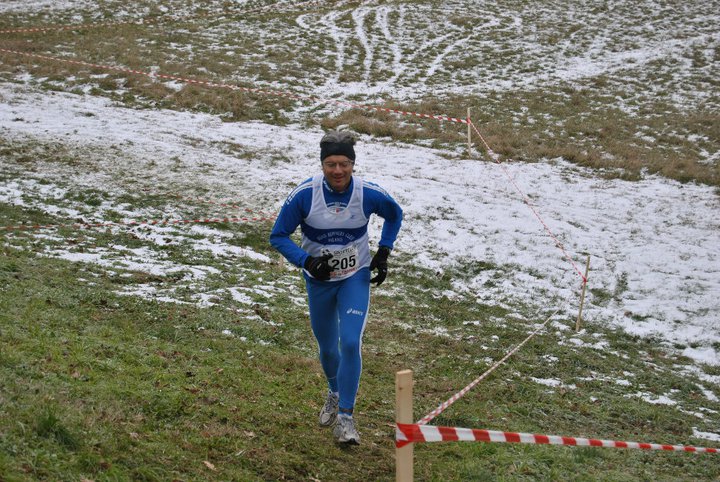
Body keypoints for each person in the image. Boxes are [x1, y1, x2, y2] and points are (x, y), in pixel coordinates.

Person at [269, 130, 403, 445]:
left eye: (344, 164)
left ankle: (346, 417)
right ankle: (333, 390)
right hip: (319, 282)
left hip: (355, 276)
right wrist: (306, 261)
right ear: (323, 165)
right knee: (328, 348)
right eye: (331, 164)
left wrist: (383, 251)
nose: (338, 171)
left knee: (349, 343)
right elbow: (278, 236)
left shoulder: (368, 193)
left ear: (353, 165)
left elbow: (395, 215)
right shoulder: (305, 194)